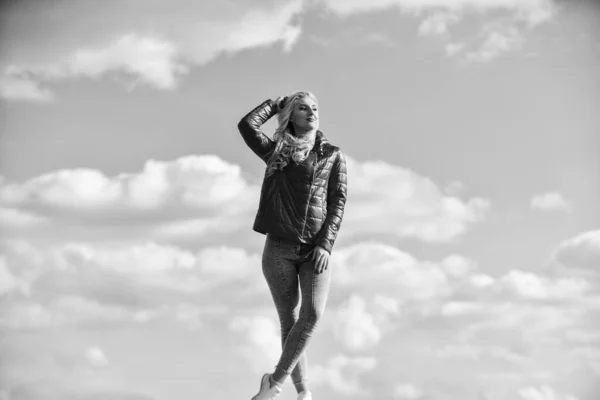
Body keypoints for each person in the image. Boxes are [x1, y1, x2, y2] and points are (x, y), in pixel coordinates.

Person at [237, 91, 348, 400]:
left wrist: (326, 244)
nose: (311, 112)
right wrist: (274, 105)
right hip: (279, 249)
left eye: (315, 108)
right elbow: (247, 126)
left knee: (311, 315)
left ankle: (273, 384)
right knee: (290, 323)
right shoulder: (276, 152)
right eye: (302, 108)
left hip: (315, 250)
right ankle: (304, 394)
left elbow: (338, 201)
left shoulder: (332, 155)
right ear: (291, 116)